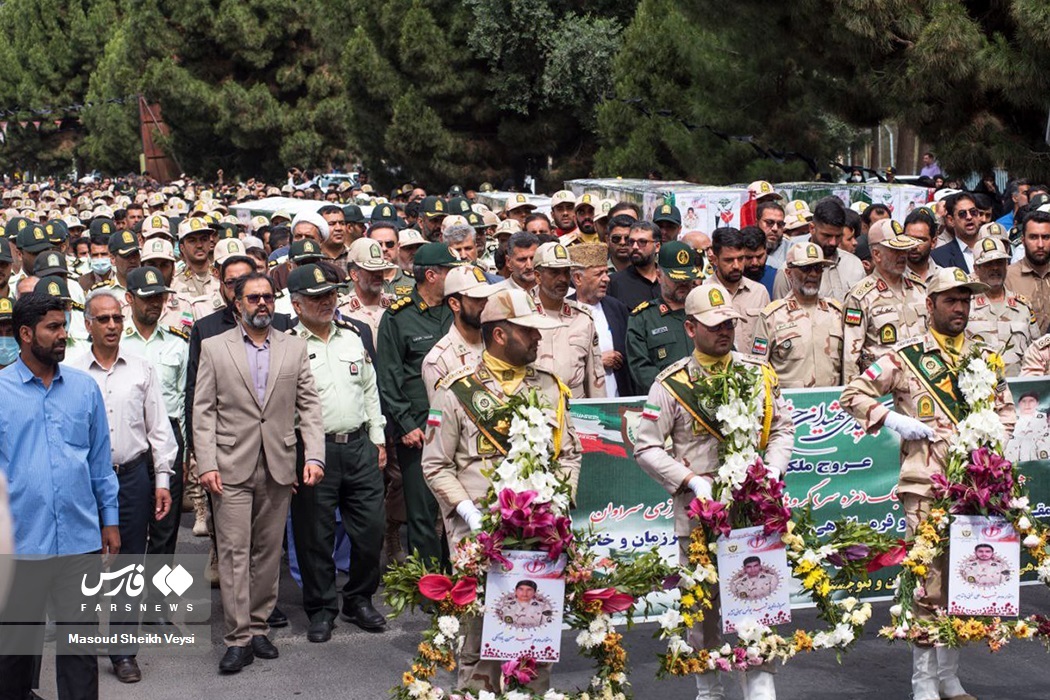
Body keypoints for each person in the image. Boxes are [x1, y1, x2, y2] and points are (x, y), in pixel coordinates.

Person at [840, 267, 1016, 700]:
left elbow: (1007, 411)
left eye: (966, 300)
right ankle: (922, 681)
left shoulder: (985, 355)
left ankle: (950, 676)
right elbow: (853, 395)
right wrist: (894, 419)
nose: (960, 308)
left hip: (975, 487)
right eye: (951, 300)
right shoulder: (903, 356)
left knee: (964, 579)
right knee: (927, 581)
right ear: (929, 304)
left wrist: (994, 442)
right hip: (925, 485)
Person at [634, 283, 794, 700]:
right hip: (699, 512)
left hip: (753, 507)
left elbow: (782, 428)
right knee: (702, 609)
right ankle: (709, 690)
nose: (725, 331)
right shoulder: (670, 385)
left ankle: (760, 688)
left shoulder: (758, 373)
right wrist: (690, 481)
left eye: (729, 324)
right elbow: (646, 446)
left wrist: (774, 470)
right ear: (689, 328)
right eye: (714, 325)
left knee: (759, 595)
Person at [422, 288, 581, 693]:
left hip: (538, 538)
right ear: (499, 335)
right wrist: (468, 512)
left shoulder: (549, 387)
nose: (538, 339)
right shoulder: (456, 389)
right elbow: (436, 465)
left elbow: (569, 455)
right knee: (478, 647)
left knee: (535, 641)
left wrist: (559, 503)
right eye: (528, 331)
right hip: (479, 540)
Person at [193, 271, 326, 673]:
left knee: (268, 554)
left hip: (279, 463)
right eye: (253, 298)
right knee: (234, 553)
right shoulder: (215, 348)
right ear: (238, 304)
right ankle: (236, 639)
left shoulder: (294, 347)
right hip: (230, 466)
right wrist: (207, 463)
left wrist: (314, 456)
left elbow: (310, 407)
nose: (262, 304)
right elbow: (203, 412)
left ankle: (258, 626)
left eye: (268, 296)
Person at [0, 292, 120, 700]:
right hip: (19, 544)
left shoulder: (84, 390)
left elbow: (100, 464)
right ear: (25, 334)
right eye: (53, 327)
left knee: (79, 650)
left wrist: (110, 519)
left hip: (78, 540)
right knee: (13, 653)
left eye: (63, 326)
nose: (62, 335)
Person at [68, 288, 178, 683]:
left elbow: (159, 428)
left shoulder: (142, 367)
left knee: (130, 563)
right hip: (84, 481)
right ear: (87, 325)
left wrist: (162, 478)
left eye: (117, 318)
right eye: (104, 319)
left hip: (132, 476)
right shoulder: (72, 370)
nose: (113, 325)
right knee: (84, 560)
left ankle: (123, 652)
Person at [286, 264, 388, 643]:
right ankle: (322, 608)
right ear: (296, 305)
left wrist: (378, 439)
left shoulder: (353, 335)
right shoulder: (288, 345)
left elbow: (370, 389)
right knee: (315, 534)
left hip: (359, 445)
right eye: (316, 297)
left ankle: (358, 598)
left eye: (330, 294)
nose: (326, 301)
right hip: (314, 451)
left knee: (370, 530)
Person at [376, 243, 461, 566]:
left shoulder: (456, 309)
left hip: (459, 423)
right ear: (431, 275)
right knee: (423, 511)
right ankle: (431, 585)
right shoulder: (398, 318)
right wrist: (405, 423)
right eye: (450, 270)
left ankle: (460, 576)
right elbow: (389, 376)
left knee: (457, 505)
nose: (455, 276)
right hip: (421, 429)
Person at [841, 219, 928, 382]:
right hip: (881, 390)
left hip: (920, 387)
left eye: (904, 249)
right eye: (895, 250)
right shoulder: (860, 296)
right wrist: (853, 396)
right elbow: (850, 356)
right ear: (876, 254)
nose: (903, 255)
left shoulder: (919, 289)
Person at [751, 242, 843, 387]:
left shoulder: (837, 313)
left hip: (832, 405)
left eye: (818, 268)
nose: (813, 274)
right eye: (805, 268)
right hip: (788, 406)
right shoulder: (772, 317)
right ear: (788, 273)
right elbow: (757, 370)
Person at [532, 241, 606, 398]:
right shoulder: (522, 315)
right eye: (554, 272)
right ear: (538, 276)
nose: (563, 279)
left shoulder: (582, 318)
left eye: (566, 272)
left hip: (576, 412)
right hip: (537, 411)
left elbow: (595, 377)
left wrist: (600, 417)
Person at [625, 241, 701, 390]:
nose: (683, 283)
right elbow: (642, 370)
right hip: (664, 401)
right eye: (676, 279)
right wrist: (679, 392)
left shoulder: (705, 311)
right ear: (659, 276)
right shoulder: (643, 318)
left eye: (687, 278)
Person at [421, 266, 495, 399]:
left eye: (486, 297)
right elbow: (439, 414)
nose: (485, 304)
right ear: (455, 304)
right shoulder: (439, 361)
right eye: (477, 299)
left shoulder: (498, 343)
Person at [772, 197, 866, 301]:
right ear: (812, 228)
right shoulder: (791, 268)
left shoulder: (855, 265)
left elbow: (860, 308)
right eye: (827, 235)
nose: (833, 242)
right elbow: (780, 314)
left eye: (838, 236)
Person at [569, 243, 633, 396]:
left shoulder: (616, 308)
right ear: (578, 278)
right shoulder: (565, 310)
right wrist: (597, 362)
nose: (606, 279)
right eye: (599, 274)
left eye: (606, 272)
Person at [969, 236, 1038, 375]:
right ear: (976, 269)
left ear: (1007, 265)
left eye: (999, 262)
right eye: (988, 263)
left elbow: (1037, 353)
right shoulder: (966, 307)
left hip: (1018, 391)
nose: (995, 268)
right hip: (979, 393)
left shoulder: (1023, 307)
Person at [704, 227, 770, 350]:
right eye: (729, 260)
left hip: (754, 367)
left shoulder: (759, 292)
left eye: (740, 259)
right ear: (714, 260)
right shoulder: (702, 293)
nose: (736, 266)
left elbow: (766, 337)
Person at [338, 237, 397, 343]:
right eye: (371, 270)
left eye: (380, 269)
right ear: (354, 274)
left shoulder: (396, 306)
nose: (378, 274)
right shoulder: (341, 311)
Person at [1005, 209, 1050, 332]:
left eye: (1046, 237)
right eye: (1033, 237)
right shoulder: (1007, 278)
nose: (1040, 244)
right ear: (1023, 241)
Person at [607, 220, 661, 309]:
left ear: (657, 247)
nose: (635, 247)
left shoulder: (667, 279)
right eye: (631, 242)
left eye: (642, 242)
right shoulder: (614, 283)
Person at [931, 193, 981, 273]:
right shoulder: (939, 257)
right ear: (951, 220)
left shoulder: (994, 246)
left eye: (973, 212)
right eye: (962, 214)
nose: (969, 217)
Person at [904, 209, 940, 283]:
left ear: (933, 242)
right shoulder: (893, 276)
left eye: (920, 240)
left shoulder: (943, 277)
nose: (913, 246)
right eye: (909, 239)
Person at [757, 200, 789, 269]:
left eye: (780, 224)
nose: (775, 228)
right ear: (756, 222)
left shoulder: (791, 249)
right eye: (769, 222)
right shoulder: (744, 248)